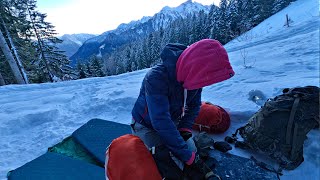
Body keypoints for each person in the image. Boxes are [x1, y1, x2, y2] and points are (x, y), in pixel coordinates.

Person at [131, 39, 235, 179]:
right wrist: (186, 155)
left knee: (189, 154)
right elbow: (160, 120)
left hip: (172, 122)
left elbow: (194, 106)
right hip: (146, 125)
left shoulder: (196, 75)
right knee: (165, 165)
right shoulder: (156, 77)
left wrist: (185, 129)